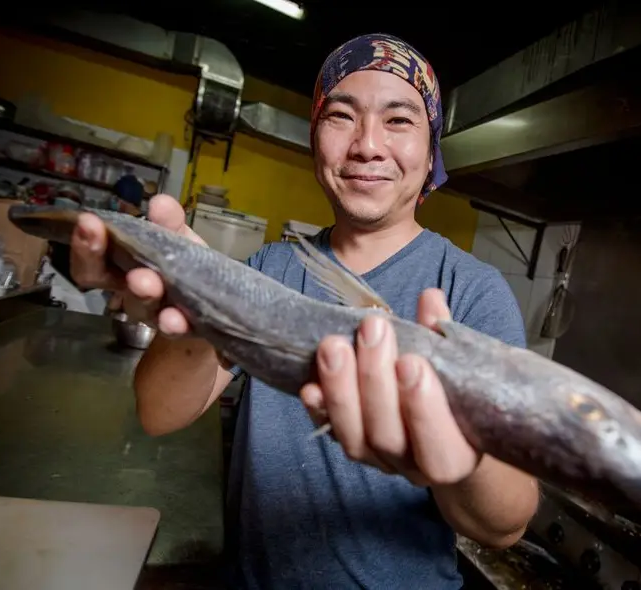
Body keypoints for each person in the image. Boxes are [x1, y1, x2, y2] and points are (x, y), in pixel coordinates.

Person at [68, 33, 540, 589]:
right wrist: (192, 309)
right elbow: (159, 412)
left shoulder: (471, 291)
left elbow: (505, 524)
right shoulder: (270, 269)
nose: (367, 145)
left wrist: (452, 458)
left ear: (431, 149)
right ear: (315, 137)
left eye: (399, 120)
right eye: (342, 115)